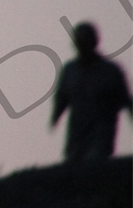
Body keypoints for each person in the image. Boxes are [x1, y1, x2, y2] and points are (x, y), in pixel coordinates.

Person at [51, 21, 132, 161]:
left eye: (85, 40)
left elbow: (126, 100)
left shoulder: (110, 71)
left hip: (101, 132)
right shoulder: (70, 71)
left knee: (95, 165)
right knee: (74, 169)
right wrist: (55, 116)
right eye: (79, 41)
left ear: (94, 41)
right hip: (77, 134)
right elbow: (62, 98)